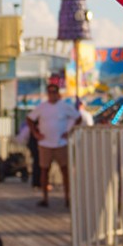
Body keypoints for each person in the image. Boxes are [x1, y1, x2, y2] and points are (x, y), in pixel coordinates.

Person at [27, 76, 90, 208]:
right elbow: (30, 118)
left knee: (65, 170)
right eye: (50, 92)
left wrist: (69, 131)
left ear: (58, 94)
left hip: (61, 143)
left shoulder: (64, 106)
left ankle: (67, 197)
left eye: (54, 92)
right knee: (44, 170)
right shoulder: (42, 107)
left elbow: (77, 118)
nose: (52, 95)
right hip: (45, 143)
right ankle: (45, 197)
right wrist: (35, 133)